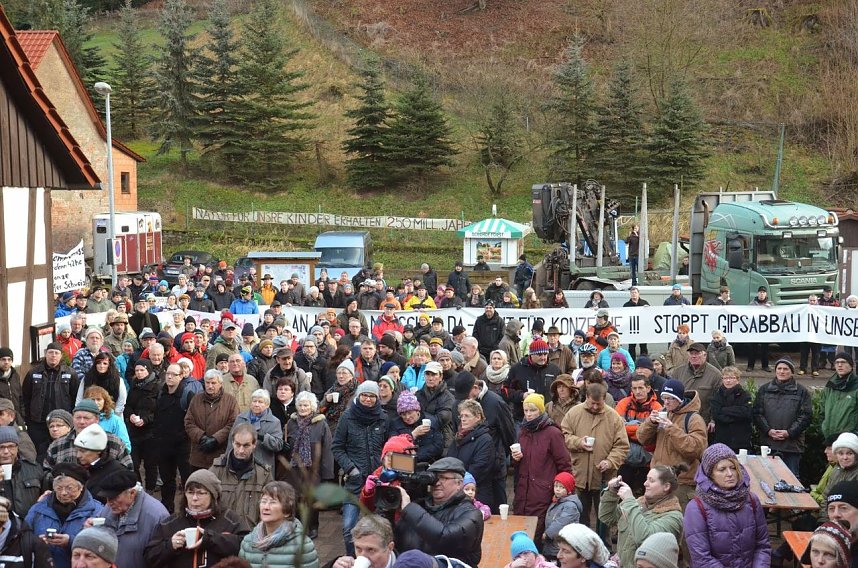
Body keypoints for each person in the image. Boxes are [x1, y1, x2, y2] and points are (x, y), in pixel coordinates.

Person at [685, 444, 770, 566]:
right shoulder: (696, 508)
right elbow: (702, 558)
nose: (730, 473)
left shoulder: (751, 500)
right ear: (710, 474)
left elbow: (762, 546)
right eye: (722, 469)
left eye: (733, 467)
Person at [144, 469, 247, 568]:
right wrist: (170, 546)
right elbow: (149, 558)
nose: (194, 498)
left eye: (201, 493)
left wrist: (211, 539)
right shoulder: (170, 523)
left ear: (213, 496)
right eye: (190, 492)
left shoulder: (230, 520)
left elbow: (246, 549)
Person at [560, 383, 630, 528]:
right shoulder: (574, 413)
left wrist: (610, 461)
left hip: (604, 478)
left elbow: (622, 446)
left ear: (605, 399)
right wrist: (579, 442)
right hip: (579, 475)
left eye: (599, 404)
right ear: (586, 397)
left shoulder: (614, 417)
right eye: (592, 403)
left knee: (604, 518)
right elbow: (564, 436)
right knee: (580, 516)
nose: (596, 407)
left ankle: (605, 546)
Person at [332, 381, 389, 556]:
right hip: (355, 481)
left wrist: (384, 468)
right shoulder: (347, 417)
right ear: (358, 396)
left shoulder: (384, 418)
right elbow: (337, 447)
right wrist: (351, 469)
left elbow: (388, 447)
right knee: (349, 526)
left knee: (379, 528)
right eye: (364, 395)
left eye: (372, 396)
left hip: (378, 481)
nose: (368, 399)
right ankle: (352, 560)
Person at [394, 457, 483, 566]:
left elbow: (445, 538)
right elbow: (392, 541)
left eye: (443, 478)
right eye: (434, 478)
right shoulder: (418, 507)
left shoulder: (471, 513)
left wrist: (409, 509)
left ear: (459, 484)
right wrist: (387, 509)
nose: (436, 483)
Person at [511, 393, 572, 547]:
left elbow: (564, 465)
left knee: (535, 538)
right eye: (526, 410)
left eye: (532, 410)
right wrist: (515, 459)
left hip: (543, 493)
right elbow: (519, 464)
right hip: (522, 493)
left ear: (540, 410)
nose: (529, 414)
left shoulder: (553, 433)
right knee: (519, 535)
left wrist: (561, 491)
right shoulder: (523, 431)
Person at [636, 380, 707, 509]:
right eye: (664, 398)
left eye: (671, 398)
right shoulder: (663, 412)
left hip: (682, 483)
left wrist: (671, 428)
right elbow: (642, 438)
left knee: (678, 525)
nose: (666, 402)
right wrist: (650, 423)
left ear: (680, 400)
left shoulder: (694, 419)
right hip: (658, 480)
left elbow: (695, 449)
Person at [598, 465, 684, 568]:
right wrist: (611, 492)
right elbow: (607, 517)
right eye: (646, 479)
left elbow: (644, 538)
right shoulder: (639, 503)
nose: (645, 483)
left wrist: (629, 501)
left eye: (651, 481)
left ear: (666, 486)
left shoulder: (673, 517)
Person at [25, 462, 100, 568]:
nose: (63, 493)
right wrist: (37, 543)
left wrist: (71, 542)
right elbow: (23, 538)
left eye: (69, 488)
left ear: (81, 487)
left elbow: (101, 546)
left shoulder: (96, 511)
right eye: (59, 488)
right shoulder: (38, 509)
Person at [92, 468, 170, 568]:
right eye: (107, 498)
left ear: (132, 493)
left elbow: (162, 558)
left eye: (114, 497)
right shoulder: (109, 509)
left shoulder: (157, 516)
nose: (108, 502)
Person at [283, 392, 333, 539]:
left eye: (306, 405)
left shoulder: (321, 423)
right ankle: (298, 525)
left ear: (312, 407)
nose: (303, 408)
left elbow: (327, 449)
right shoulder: (291, 423)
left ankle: (313, 526)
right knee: (296, 498)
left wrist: (327, 474)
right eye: (300, 405)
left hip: (314, 469)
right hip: (294, 468)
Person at [754, 357, 813, 477]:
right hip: (768, 444)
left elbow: (806, 416)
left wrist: (789, 433)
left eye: (785, 369)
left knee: (791, 480)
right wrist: (768, 431)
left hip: (792, 446)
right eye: (779, 368)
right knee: (767, 478)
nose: (782, 371)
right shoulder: (764, 389)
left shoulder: (802, 391)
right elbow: (757, 413)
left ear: (791, 371)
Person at [238, 481, 318, 568]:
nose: (266, 507)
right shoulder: (248, 542)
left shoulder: (303, 546)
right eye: (264, 501)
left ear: (287, 511)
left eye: (273, 502)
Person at [23, 341, 80, 457]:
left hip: (61, 423)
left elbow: (76, 398)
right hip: (38, 422)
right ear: (46, 354)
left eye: (56, 353)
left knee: (61, 450)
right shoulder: (33, 373)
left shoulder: (70, 373)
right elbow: (25, 397)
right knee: (39, 452)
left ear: (61, 355)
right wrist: (27, 419)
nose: (53, 355)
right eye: (50, 353)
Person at [446, 400, 498, 512]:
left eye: (467, 416)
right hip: (457, 492)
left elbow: (479, 468)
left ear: (478, 417)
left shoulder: (485, 440)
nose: (463, 419)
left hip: (477, 496)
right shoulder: (459, 437)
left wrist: (455, 482)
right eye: (461, 416)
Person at [615, 374, 662, 495]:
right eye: (634, 388)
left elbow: (655, 436)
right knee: (620, 495)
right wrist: (641, 428)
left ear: (648, 388)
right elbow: (616, 428)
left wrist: (628, 427)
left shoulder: (657, 407)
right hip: (625, 459)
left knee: (645, 497)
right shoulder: (623, 403)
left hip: (647, 461)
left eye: (640, 388)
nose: (637, 391)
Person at [185, 369, 240, 470]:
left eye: (213, 383)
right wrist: (201, 437)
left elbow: (233, 423)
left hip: (220, 454)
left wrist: (216, 439)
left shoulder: (230, 401)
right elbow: (189, 422)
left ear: (220, 383)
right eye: (207, 383)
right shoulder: (196, 399)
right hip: (199, 454)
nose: (210, 386)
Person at [230, 389, 284, 470]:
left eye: (260, 402)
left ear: (267, 405)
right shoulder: (241, 418)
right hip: (239, 461)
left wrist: (262, 437)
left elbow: (278, 445)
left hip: (262, 465)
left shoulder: (274, 421)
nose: (256, 404)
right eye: (254, 401)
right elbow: (231, 441)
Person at [670, 342, 722, 424]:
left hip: (702, 421)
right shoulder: (678, 371)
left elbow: (718, 400)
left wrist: (713, 420)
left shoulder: (715, 374)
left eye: (697, 353)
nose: (694, 356)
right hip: (679, 419)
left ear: (705, 355)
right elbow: (670, 395)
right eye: (691, 353)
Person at [709, 365, 753, 453]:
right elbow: (716, 414)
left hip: (741, 442)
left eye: (731, 377)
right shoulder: (717, 396)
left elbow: (746, 413)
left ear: (737, 380)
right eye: (725, 378)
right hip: (722, 441)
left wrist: (724, 410)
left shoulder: (745, 395)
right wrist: (736, 414)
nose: (728, 380)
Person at [330, 515, 397, 568]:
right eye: (358, 549)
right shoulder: (351, 563)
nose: (362, 556)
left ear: (389, 548)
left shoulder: (404, 564)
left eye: (371, 550)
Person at [543, 473, 582, 560]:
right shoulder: (557, 500)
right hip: (553, 544)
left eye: (562, 487)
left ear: (569, 490)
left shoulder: (570, 506)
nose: (557, 489)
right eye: (556, 486)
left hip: (561, 546)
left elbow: (560, 523)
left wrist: (547, 534)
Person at [820, 352, 858, 441]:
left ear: (851, 365)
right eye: (837, 362)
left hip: (851, 440)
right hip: (829, 439)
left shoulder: (856, 386)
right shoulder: (829, 386)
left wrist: (855, 434)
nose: (840, 365)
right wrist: (822, 429)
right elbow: (822, 411)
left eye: (843, 362)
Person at [747, 286, 773, 372]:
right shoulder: (752, 304)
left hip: (765, 329)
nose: (762, 294)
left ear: (766, 294)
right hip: (754, 329)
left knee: (765, 348)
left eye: (763, 292)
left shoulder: (770, 304)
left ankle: (765, 366)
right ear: (758, 293)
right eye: (760, 292)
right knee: (752, 348)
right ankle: (750, 366)